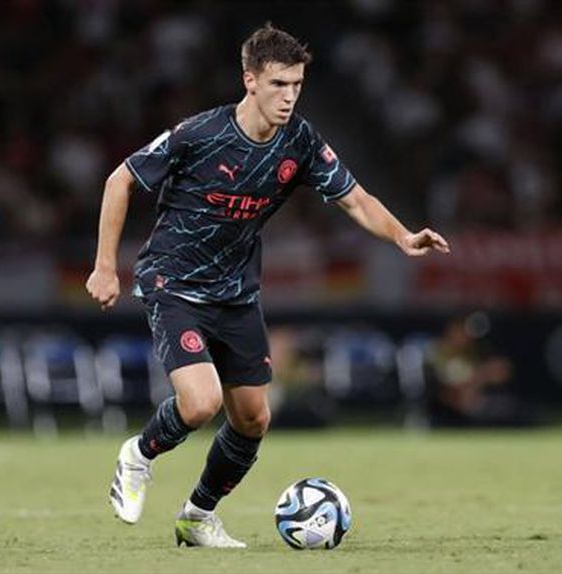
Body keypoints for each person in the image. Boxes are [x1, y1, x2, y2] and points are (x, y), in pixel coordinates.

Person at [86, 23, 450, 548]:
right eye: (279, 84)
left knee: (254, 418)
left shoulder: (300, 140)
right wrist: (104, 266)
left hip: (236, 293)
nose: (289, 96)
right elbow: (119, 179)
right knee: (200, 403)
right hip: (174, 282)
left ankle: (197, 517)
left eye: (297, 85)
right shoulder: (200, 134)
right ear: (250, 80)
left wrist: (402, 236)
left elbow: (355, 198)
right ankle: (138, 455)